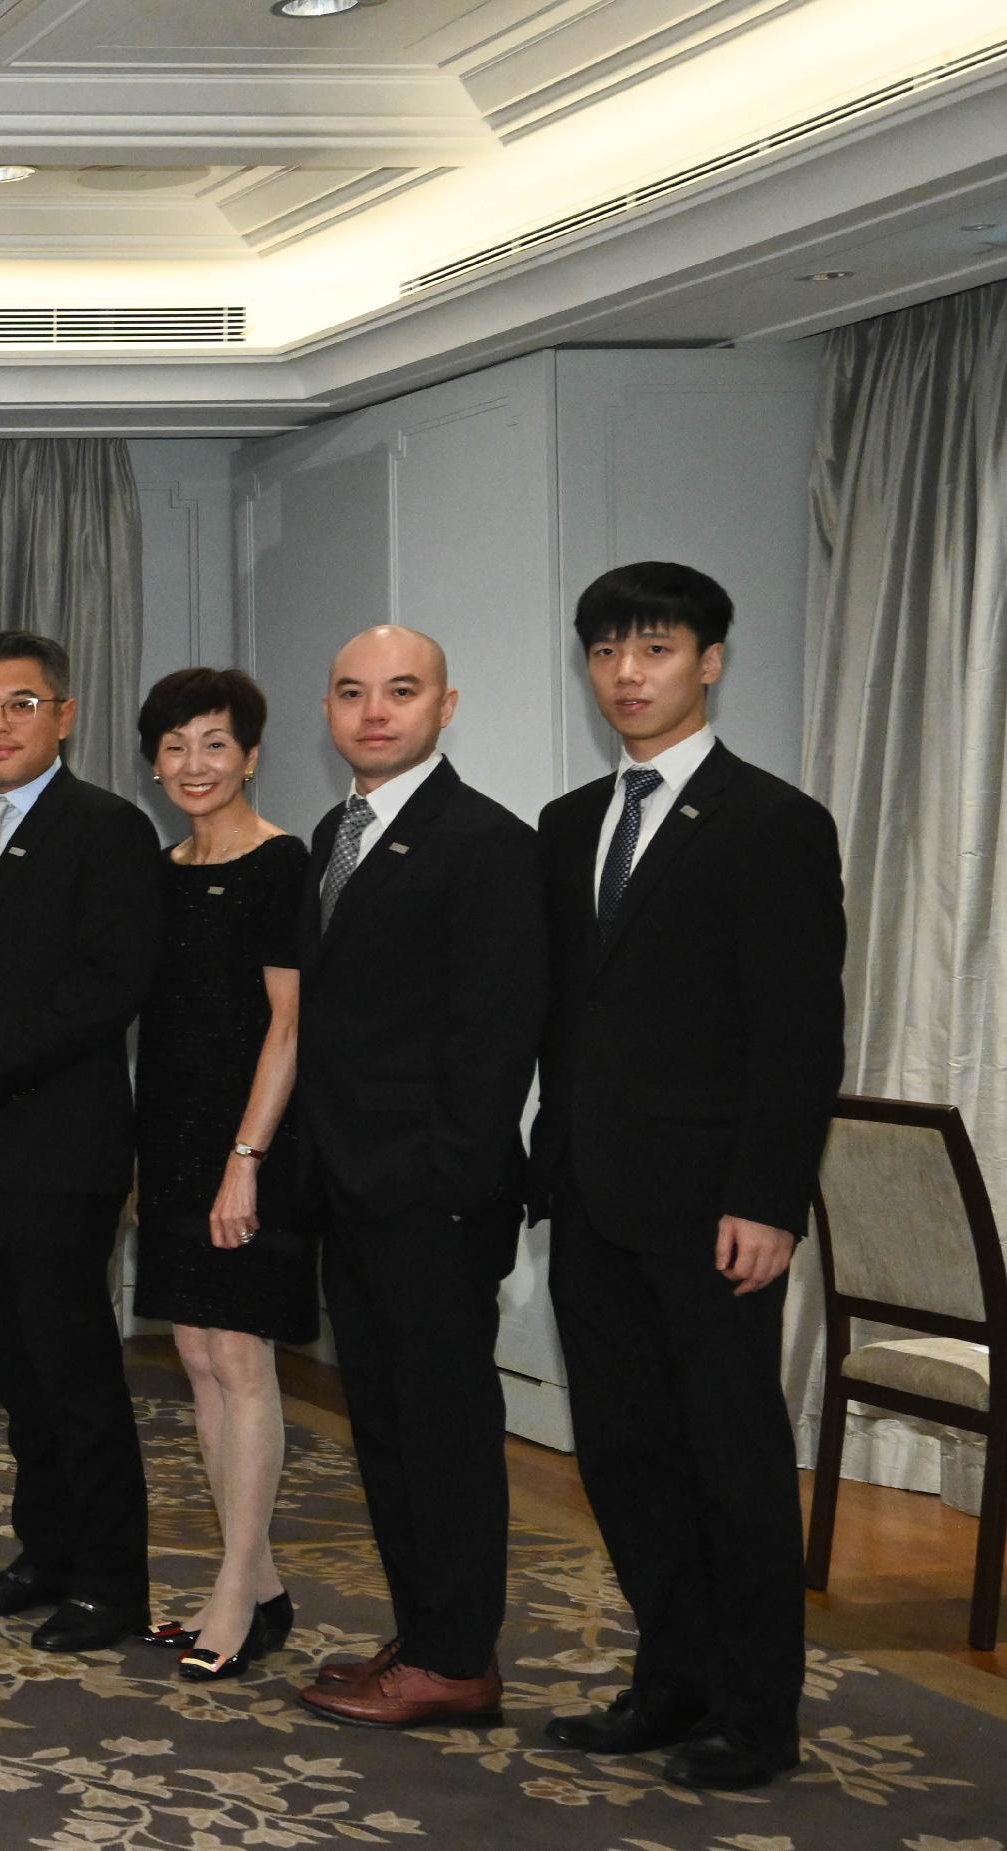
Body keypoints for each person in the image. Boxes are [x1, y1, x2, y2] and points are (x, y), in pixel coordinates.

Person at [531, 564, 843, 1790]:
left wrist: (768, 1198)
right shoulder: (567, 826)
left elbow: (797, 1034)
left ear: (708, 661)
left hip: (717, 1212)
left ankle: (756, 1717)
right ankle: (669, 1684)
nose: (626, 674)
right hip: (593, 1198)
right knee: (623, 1454)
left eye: (653, 649)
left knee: (733, 1464)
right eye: (606, 651)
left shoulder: (772, 822)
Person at [288, 625, 544, 1728]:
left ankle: (456, 1658)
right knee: (385, 1430)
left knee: (440, 1432)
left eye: (401, 691)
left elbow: (496, 1039)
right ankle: (429, 1632)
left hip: (432, 1196)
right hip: (352, 1190)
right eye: (351, 692)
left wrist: (444, 1181)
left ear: (446, 706)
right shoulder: (335, 831)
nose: (373, 711)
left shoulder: (485, 841)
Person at [0, 631, 161, 1654]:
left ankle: (110, 1581)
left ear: (63, 715)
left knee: (74, 1371)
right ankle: (44, 1553)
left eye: (19, 704)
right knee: (13, 1369)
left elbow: (109, 986)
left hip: (56, 1147)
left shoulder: (107, 828)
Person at [122, 669, 313, 1678]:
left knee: (241, 1363)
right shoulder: (159, 870)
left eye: (214, 744)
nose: (193, 765)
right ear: (153, 762)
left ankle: (233, 1591)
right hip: (173, 1138)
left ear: (248, 752)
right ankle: (262, 1580)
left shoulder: (282, 865)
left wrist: (245, 1162)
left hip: (253, 1144)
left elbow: (287, 1025)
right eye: (174, 747)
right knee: (195, 1359)